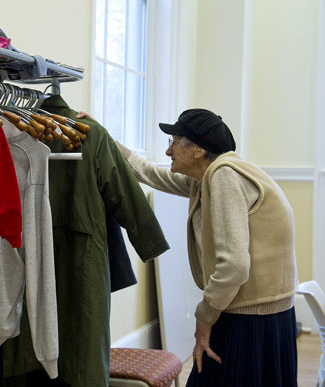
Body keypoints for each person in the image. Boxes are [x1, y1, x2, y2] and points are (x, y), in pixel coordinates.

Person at [77, 108, 298, 386]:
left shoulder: (224, 178)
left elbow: (234, 266)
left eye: (174, 141)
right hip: (265, 312)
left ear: (197, 149)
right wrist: (104, 136)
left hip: (249, 317)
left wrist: (204, 317)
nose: (168, 151)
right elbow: (148, 173)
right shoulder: (212, 175)